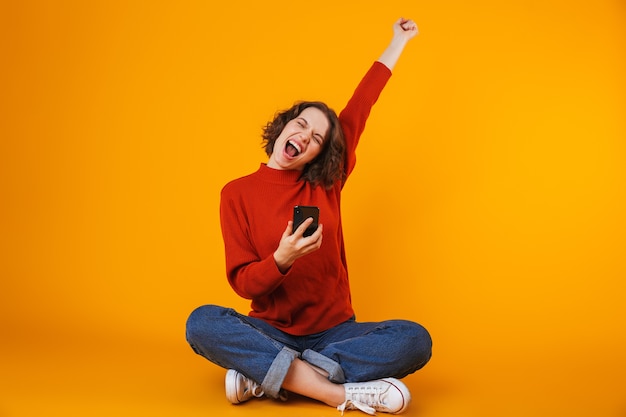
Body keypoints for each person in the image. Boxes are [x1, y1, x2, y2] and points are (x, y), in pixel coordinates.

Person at [186, 17, 432, 415]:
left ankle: (268, 374)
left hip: (337, 333)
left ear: (321, 154)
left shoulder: (327, 183)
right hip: (271, 331)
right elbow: (243, 282)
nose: (305, 136)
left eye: (317, 138)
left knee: (414, 339)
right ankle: (337, 393)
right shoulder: (236, 193)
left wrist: (397, 41)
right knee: (200, 323)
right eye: (301, 124)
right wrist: (282, 259)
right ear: (284, 126)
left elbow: (361, 104)